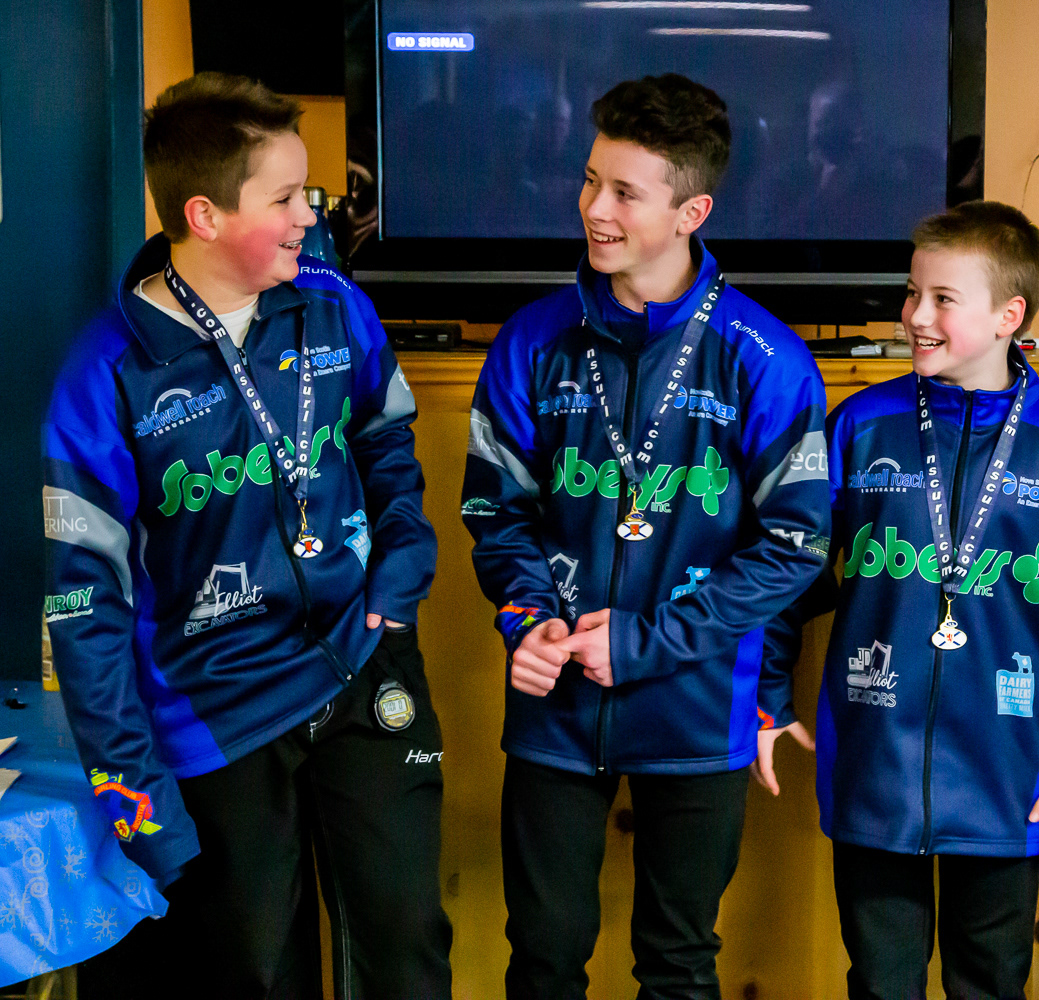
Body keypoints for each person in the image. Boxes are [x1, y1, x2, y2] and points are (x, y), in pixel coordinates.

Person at [42, 72, 451, 998]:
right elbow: (84, 608)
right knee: (255, 976)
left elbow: (386, 441)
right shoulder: (103, 374)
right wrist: (139, 804)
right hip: (215, 713)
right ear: (206, 215)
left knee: (406, 953)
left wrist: (402, 569)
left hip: (363, 660)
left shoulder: (333, 302)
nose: (311, 216)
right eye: (286, 198)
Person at [460, 73, 831, 1000]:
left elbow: (794, 546)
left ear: (691, 211)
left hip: (697, 708)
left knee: (677, 961)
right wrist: (526, 621)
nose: (595, 209)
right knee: (543, 955)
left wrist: (648, 642)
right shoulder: (530, 341)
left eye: (626, 192)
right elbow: (496, 513)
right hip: (555, 708)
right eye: (592, 180)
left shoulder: (767, 360)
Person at [759, 201, 1039, 1000]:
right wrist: (766, 696)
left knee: (990, 983)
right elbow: (790, 573)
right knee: (880, 982)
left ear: (1009, 315)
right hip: (876, 769)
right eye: (912, 293)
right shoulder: (861, 425)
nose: (915, 316)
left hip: (1010, 780)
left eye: (942, 299)